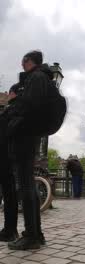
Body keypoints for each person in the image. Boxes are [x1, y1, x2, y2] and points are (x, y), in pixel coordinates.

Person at [6, 51, 51, 250]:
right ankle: (37, 234)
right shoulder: (42, 78)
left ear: (27, 61)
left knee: (26, 186)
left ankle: (31, 235)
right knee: (29, 185)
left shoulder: (36, 78)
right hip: (31, 136)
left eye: (23, 61)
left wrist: (13, 100)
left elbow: (29, 106)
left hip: (25, 137)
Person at [0, 84, 20, 242]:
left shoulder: (11, 111)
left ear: (13, 94)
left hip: (5, 158)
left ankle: (9, 230)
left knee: (9, 194)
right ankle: (10, 229)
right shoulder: (20, 110)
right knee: (10, 194)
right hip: (12, 157)